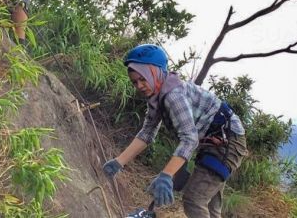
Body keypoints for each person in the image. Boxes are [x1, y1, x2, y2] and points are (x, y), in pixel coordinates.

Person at [102, 44, 248, 218]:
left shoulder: (173, 96)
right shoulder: (157, 98)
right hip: (213, 141)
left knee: (195, 200)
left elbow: (189, 139)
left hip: (226, 141)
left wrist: (166, 175)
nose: (139, 85)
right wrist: (118, 162)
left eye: (143, 79)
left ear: (155, 72)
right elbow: (147, 133)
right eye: (135, 82)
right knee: (208, 205)